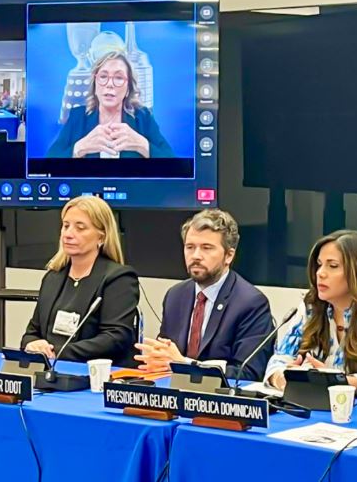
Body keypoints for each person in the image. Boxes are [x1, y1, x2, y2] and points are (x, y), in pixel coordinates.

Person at [134, 209, 274, 381]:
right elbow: (165, 357)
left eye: (207, 248)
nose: (196, 256)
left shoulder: (251, 303)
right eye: (190, 247)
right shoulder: (176, 296)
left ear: (229, 256)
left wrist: (183, 364)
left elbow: (247, 373)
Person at [265, 230, 357, 395]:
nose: (320, 273)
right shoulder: (311, 307)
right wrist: (284, 379)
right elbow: (278, 360)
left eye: (332, 266)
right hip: (315, 409)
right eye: (319, 264)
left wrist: (339, 382)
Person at [21, 195, 141, 366]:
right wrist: (32, 345)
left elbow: (115, 338)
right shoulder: (52, 277)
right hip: (50, 369)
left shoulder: (119, 278)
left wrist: (57, 352)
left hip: (96, 375)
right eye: (66, 226)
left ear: (102, 237)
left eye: (80, 228)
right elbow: (32, 332)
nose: (69, 234)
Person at [45, 51, 174, 158]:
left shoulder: (143, 117)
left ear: (128, 88)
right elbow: (49, 161)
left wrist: (142, 145)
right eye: (103, 76)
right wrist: (79, 148)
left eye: (118, 78)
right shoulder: (77, 116)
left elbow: (173, 164)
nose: (109, 84)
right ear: (95, 85)